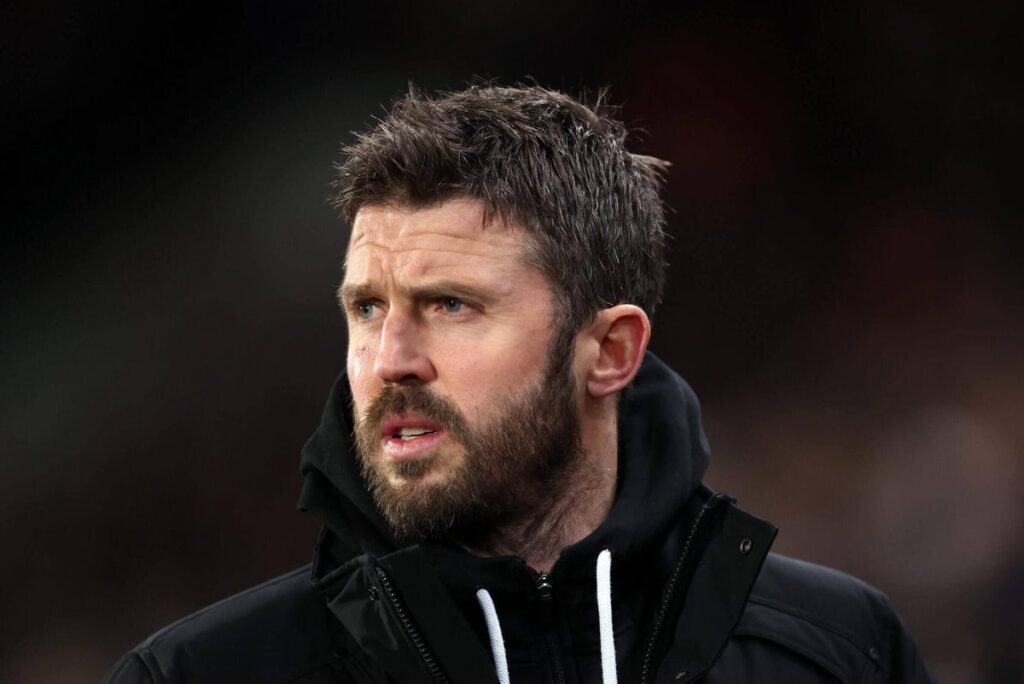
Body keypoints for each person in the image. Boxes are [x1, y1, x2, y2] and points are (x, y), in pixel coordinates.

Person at [104, 85, 934, 684]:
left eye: (451, 305)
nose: (390, 358)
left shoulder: (838, 650)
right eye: (367, 308)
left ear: (608, 350)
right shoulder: (198, 673)